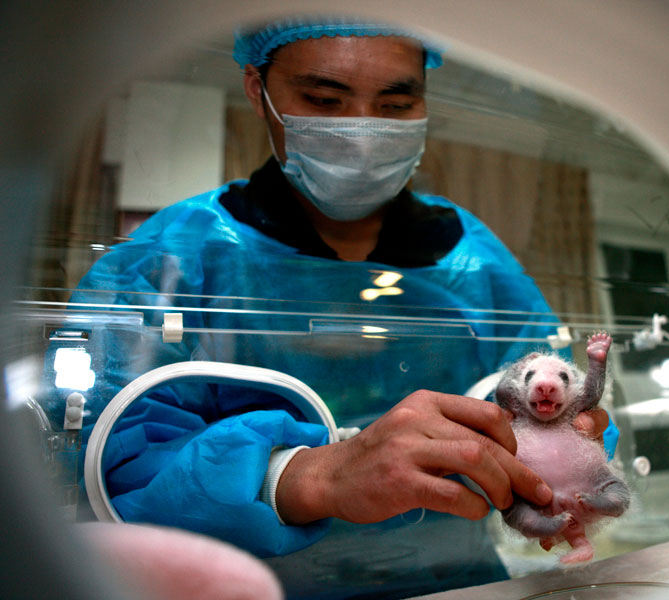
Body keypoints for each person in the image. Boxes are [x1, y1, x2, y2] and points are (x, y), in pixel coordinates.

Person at [63, 17, 619, 597]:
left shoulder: (471, 259)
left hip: (455, 583)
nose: (362, 132)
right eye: (325, 99)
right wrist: (304, 478)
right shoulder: (177, 256)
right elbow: (107, 460)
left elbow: (557, 389)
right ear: (258, 90)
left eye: (396, 104)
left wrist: (568, 456)